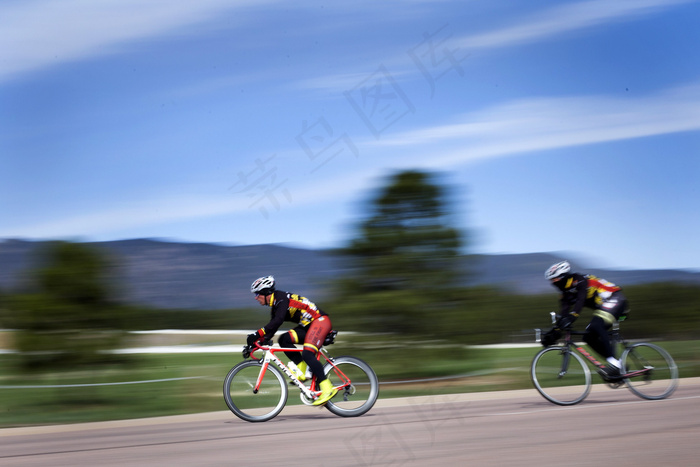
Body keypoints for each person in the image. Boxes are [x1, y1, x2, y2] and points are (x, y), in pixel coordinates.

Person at [246, 275, 338, 406]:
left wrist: (257, 333)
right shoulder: (276, 304)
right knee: (284, 339)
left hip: (319, 321)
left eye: (257, 294)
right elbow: (271, 330)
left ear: (266, 293)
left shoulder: (281, 299)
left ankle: (327, 388)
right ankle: (304, 371)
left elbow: (277, 321)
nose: (256, 297)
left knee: (307, 353)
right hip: (308, 326)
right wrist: (255, 344)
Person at [543, 261, 630, 380]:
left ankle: (615, 364)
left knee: (596, 325)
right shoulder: (564, 293)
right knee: (588, 337)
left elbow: (580, 300)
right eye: (551, 280)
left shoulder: (580, 280)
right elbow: (564, 313)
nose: (553, 282)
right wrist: (555, 332)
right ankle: (617, 365)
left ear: (563, 276)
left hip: (616, 299)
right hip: (605, 306)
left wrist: (573, 316)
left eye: (555, 279)